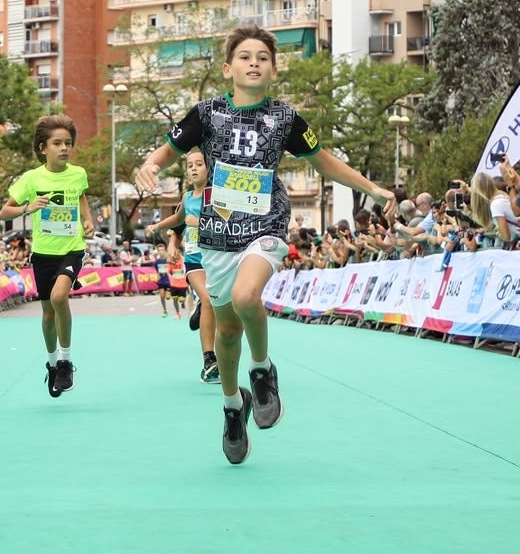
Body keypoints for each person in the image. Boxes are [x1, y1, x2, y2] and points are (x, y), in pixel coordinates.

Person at [135, 25, 393, 465]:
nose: (253, 62)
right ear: (228, 67)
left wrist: (374, 188)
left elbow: (324, 161)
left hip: (266, 225)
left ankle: (263, 369)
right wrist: (149, 165)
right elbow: (165, 151)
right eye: (244, 56)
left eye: (262, 57)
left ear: (273, 69)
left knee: (246, 295)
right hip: (218, 235)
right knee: (227, 333)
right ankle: (233, 406)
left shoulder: (286, 119)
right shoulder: (206, 113)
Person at [0, 114, 95, 397]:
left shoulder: (78, 174)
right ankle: (52, 364)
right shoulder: (30, 179)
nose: (64, 148)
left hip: (72, 249)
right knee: (47, 313)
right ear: (43, 148)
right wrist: (29, 207)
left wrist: (88, 221)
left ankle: (65, 361)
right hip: (43, 252)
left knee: (59, 297)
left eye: (68, 143)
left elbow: (81, 197)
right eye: (57, 143)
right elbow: (6, 211)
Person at [145, 148, 219, 383]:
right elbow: (177, 221)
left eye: (199, 164)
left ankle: (201, 308)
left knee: (220, 306)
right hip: (195, 259)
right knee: (208, 300)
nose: (194, 168)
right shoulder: (188, 198)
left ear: (209, 168)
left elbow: (228, 222)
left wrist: (200, 222)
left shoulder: (217, 195)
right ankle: (209, 359)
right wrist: (157, 227)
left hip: (218, 259)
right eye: (190, 165)